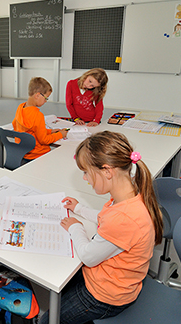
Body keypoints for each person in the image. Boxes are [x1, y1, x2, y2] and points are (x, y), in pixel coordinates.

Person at [40, 131, 163, 324]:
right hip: (112, 279)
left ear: (107, 171)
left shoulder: (123, 218)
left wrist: (76, 227)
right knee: (59, 282)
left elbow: (89, 257)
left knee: (48, 320)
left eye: (86, 172)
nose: (84, 178)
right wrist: (79, 208)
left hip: (105, 297)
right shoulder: (130, 195)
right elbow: (105, 217)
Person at [12, 77, 68, 162]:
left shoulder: (20, 108)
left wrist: (50, 131)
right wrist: (61, 134)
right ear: (37, 95)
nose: (46, 101)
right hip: (38, 155)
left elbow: (30, 131)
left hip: (24, 153)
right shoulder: (38, 115)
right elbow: (44, 140)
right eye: (46, 98)